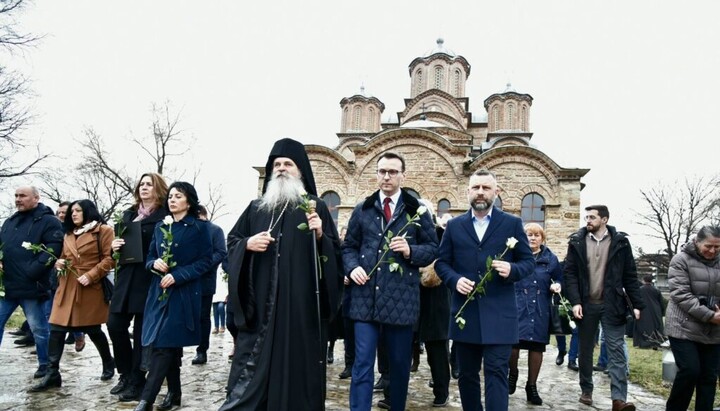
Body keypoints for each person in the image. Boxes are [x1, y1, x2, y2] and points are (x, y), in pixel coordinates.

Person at [221, 138, 343, 411]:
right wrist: (248, 244)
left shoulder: (315, 206)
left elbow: (335, 255)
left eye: (288, 164)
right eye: (277, 164)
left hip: (299, 308)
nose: (282, 169)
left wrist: (321, 234)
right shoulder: (256, 208)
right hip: (260, 304)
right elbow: (232, 242)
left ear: (300, 171)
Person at [343, 151, 438, 411]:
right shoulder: (363, 209)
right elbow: (349, 247)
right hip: (365, 298)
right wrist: (352, 269)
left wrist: (410, 251)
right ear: (376, 174)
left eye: (393, 172)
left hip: (401, 300)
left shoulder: (416, 209)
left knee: (398, 364)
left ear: (402, 175)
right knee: (362, 362)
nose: (387, 176)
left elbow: (432, 247)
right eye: (382, 171)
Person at [435, 169, 534, 411]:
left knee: (496, 374)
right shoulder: (455, 226)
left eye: (486, 188)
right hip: (465, 314)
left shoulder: (511, 224)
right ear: (467, 191)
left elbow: (528, 262)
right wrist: (455, 280)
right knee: (467, 376)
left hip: (500, 315)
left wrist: (512, 268)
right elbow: (441, 263)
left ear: (496, 192)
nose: (480, 192)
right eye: (476, 187)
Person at [133, 181, 213, 411]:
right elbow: (149, 258)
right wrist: (153, 264)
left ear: (189, 201)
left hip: (184, 294)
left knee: (164, 345)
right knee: (166, 344)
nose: (172, 200)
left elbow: (206, 261)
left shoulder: (199, 228)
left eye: (178, 196)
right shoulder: (160, 227)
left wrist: (180, 275)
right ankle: (174, 394)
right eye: (170, 196)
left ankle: (145, 400)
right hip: (158, 294)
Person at [29, 199, 116, 392]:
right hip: (66, 285)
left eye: (77, 211)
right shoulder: (68, 233)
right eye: (72, 212)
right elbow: (64, 256)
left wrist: (92, 275)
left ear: (88, 211)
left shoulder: (103, 230)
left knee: (93, 329)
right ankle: (53, 374)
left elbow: (111, 259)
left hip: (89, 287)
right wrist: (59, 262)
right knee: (57, 329)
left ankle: (108, 362)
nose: (73, 214)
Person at [564, 205, 645, 411]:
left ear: (605, 220)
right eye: (586, 217)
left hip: (613, 305)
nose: (588, 220)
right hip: (586, 304)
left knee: (616, 351)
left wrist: (637, 304)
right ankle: (586, 390)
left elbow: (630, 275)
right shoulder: (576, 241)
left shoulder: (621, 243)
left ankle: (619, 400)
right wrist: (575, 302)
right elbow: (570, 274)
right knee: (585, 349)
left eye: (592, 217)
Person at [108, 172, 169, 401]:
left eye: (149, 184)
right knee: (115, 326)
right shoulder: (129, 214)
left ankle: (137, 380)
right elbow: (117, 250)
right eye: (141, 184)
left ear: (158, 188)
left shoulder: (165, 216)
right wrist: (113, 246)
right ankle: (124, 374)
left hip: (148, 280)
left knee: (142, 333)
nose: (144, 188)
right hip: (125, 279)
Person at [0, 186, 63, 380]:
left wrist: (32, 272)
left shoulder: (49, 221)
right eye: (16, 195)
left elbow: (53, 249)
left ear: (36, 198)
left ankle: (46, 366)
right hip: (8, 287)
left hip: (32, 287)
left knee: (39, 329)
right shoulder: (10, 221)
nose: (18, 199)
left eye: (22, 196)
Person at [664, 226, 720, 411]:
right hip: (683, 326)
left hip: (714, 330)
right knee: (690, 370)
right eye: (708, 246)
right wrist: (710, 315)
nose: (712, 251)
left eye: (717, 247)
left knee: (709, 377)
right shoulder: (680, 260)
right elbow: (681, 295)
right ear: (697, 242)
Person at [508, 222, 562, 406]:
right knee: (512, 345)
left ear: (542, 238)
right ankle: (512, 374)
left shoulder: (550, 258)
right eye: (529, 235)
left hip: (539, 308)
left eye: (536, 235)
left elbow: (559, 277)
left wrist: (557, 285)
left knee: (537, 347)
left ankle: (531, 386)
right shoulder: (515, 254)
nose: (532, 238)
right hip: (517, 306)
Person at [417, 200, 451, 407]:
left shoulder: (441, 235)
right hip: (410, 296)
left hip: (435, 297)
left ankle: (441, 389)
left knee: (436, 348)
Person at [192, 205, 227, 365]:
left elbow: (220, 252)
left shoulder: (215, 230)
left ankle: (201, 350)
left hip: (205, 280)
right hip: (184, 279)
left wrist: (202, 266)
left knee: (203, 316)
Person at [633, 274, 665, 348]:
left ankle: (643, 342)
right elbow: (661, 302)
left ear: (643, 280)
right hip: (655, 310)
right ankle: (655, 341)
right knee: (655, 326)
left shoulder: (640, 289)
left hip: (643, 310)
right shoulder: (656, 290)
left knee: (643, 326)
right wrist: (662, 312)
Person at [212, 266, 228, 334]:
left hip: (223, 290)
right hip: (215, 290)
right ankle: (216, 327)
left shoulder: (224, 265)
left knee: (220, 307)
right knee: (215, 310)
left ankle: (222, 325)